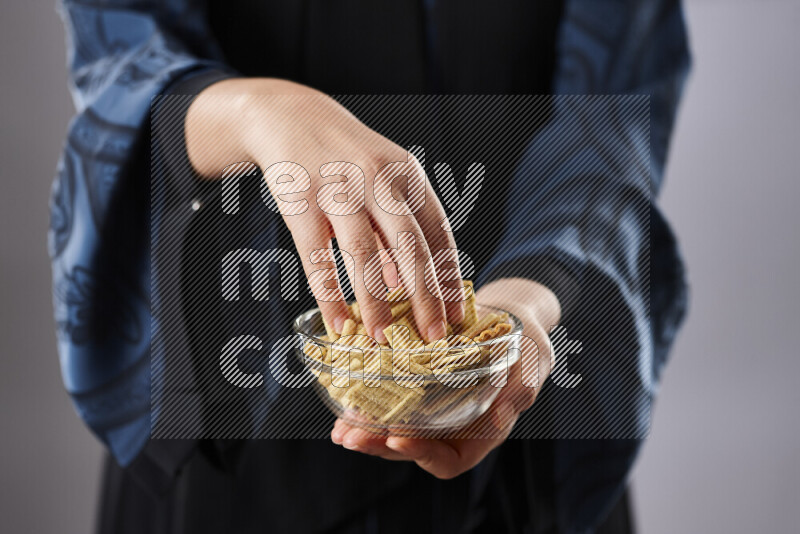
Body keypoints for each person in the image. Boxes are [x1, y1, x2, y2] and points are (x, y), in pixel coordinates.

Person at [50, 0, 690, 532]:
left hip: (523, 433)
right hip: (238, 446)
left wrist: (528, 298)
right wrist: (259, 112)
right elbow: (125, 62)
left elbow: (611, 116)